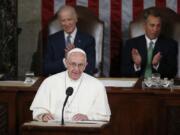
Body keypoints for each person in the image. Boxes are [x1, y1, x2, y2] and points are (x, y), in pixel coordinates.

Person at [30, 48, 111, 122]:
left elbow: (104, 116)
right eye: (73, 64)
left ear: (86, 65)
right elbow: (38, 109)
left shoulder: (97, 85)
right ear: (65, 63)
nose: (76, 69)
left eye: (80, 65)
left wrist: (88, 117)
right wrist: (43, 115)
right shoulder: (50, 82)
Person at [121, 7, 178, 78]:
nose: (155, 29)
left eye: (158, 26)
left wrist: (157, 65)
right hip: (137, 86)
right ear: (144, 26)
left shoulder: (170, 44)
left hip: (159, 86)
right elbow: (124, 72)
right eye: (152, 25)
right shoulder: (131, 44)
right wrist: (137, 65)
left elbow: (172, 73)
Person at [43, 5, 95, 76]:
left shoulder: (88, 40)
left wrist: (75, 56)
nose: (67, 24)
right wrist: (65, 61)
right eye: (63, 20)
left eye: (69, 19)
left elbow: (90, 67)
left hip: (81, 80)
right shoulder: (52, 40)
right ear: (59, 22)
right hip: (58, 81)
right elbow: (46, 68)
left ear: (76, 19)